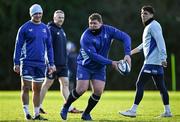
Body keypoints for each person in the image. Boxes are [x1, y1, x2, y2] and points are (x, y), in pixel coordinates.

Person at [60, 13, 131, 120]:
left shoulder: (108, 30)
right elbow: (93, 56)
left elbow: (126, 37)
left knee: (98, 91)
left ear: (101, 23)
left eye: (95, 23)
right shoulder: (85, 36)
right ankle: (65, 107)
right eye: (90, 23)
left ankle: (86, 114)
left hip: (100, 67)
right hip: (85, 65)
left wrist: (127, 54)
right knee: (81, 89)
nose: (92, 25)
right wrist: (112, 63)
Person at [119, 5, 172, 117]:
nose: (143, 16)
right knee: (161, 87)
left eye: (146, 14)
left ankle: (133, 111)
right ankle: (168, 112)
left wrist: (163, 58)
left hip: (151, 62)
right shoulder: (150, 27)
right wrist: (130, 53)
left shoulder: (154, 26)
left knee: (140, 84)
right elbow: (145, 44)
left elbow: (160, 41)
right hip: (155, 63)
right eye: (142, 13)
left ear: (152, 15)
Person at [13, 4, 55, 120]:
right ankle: (27, 113)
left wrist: (51, 63)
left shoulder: (45, 28)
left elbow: (49, 47)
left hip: (41, 63)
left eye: (39, 13)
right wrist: (16, 62)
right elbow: (18, 46)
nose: (38, 15)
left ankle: (36, 114)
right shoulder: (24, 28)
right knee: (25, 87)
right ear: (31, 14)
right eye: (35, 13)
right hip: (26, 62)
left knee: (37, 89)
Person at [40, 10, 82, 114]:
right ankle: (38, 105)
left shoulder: (61, 30)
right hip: (53, 64)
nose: (61, 19)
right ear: (54, 18)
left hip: (63, 64)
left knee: (65, 83)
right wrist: (50, 63)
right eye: (59, 17)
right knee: (47, 83)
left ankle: (69, 107)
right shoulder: (50, 29)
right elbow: (46, 48)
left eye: (62, 17)